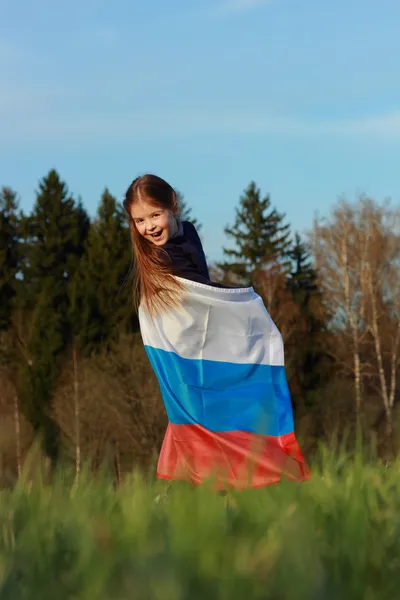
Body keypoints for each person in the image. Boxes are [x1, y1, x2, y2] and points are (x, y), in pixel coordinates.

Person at [124, 174, 310, 491]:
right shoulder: (159, 258)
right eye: (139, 220)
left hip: (206, 341)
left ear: (173, 205)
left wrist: (236, 308)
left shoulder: (189, 236)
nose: (149, 227)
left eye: (155, 215)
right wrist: (238, 305)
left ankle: (231, 483)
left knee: (227, 408)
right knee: (198, 415)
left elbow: (203, 292)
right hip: (182, 350)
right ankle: (197, 488)